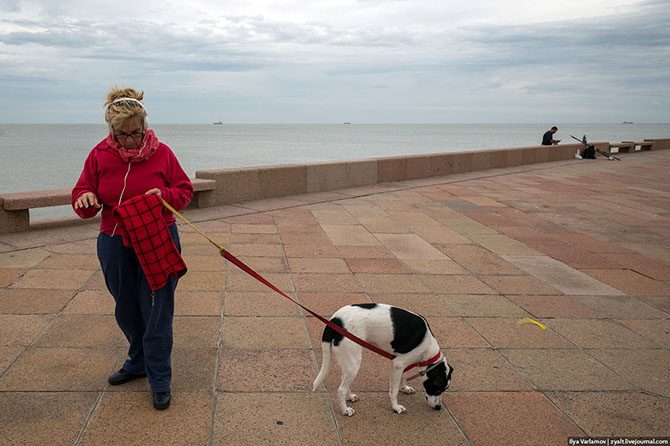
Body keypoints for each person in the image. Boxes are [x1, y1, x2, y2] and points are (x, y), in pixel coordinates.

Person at [71, 87, 193, 410]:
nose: (128, 141)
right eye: (121, 135)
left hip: (157, 236)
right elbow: (83, 193)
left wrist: (165, 195)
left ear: (144, 125)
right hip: (113, 240)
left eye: (134, 133)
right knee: (126, 308)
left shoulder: (163, 153)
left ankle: (160, 378)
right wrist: (85, 200)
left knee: (157, 310)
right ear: (111, 130)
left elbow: (184, 189)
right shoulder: (99, 155)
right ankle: (138, 361)